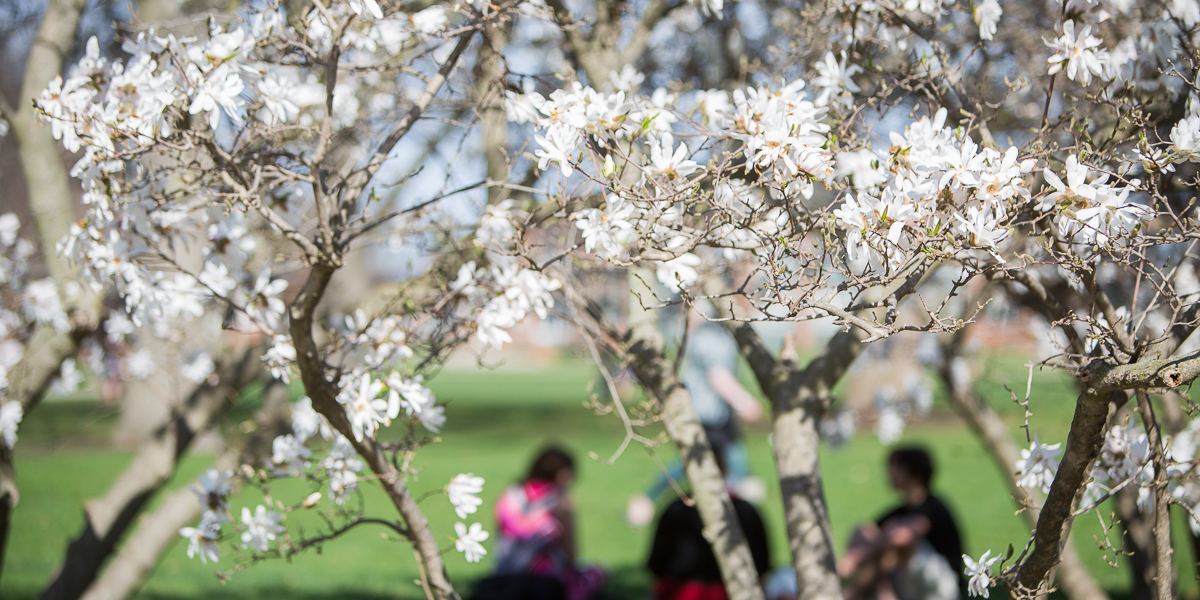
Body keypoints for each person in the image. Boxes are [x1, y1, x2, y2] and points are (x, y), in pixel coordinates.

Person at [627, 321, 764, 527]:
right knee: (701, 463)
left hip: (715, 415)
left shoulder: (711, 334)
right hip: (708, 416)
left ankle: (735, 507)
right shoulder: (712, 337)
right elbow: (718, 376)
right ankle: (648, 501)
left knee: (724, 461)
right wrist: (743, 402)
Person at [837, 447, 965, 600]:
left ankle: (856, 593)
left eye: (894, 467)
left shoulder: (932, 507)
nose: (888, 473)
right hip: (910, 583)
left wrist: (858, 556)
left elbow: (902, 537)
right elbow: (867, 530)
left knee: (898, 541)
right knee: (864, 532)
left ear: (912, 472)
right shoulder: (901, 510)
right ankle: (881, 592)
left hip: (942, 586)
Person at [646, 452, 771, 600]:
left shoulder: (675, 509)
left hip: (682, 592)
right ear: (724, 469)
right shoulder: (746, 511)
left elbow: (656, 565)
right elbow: (761, 566)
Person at [489, 446, 606, 600]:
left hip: (506, 572)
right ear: (563, 473)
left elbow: (500, 535)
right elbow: (571, 554)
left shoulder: (510, 494)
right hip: (546, 580)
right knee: (597, 572)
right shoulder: (561, 501)